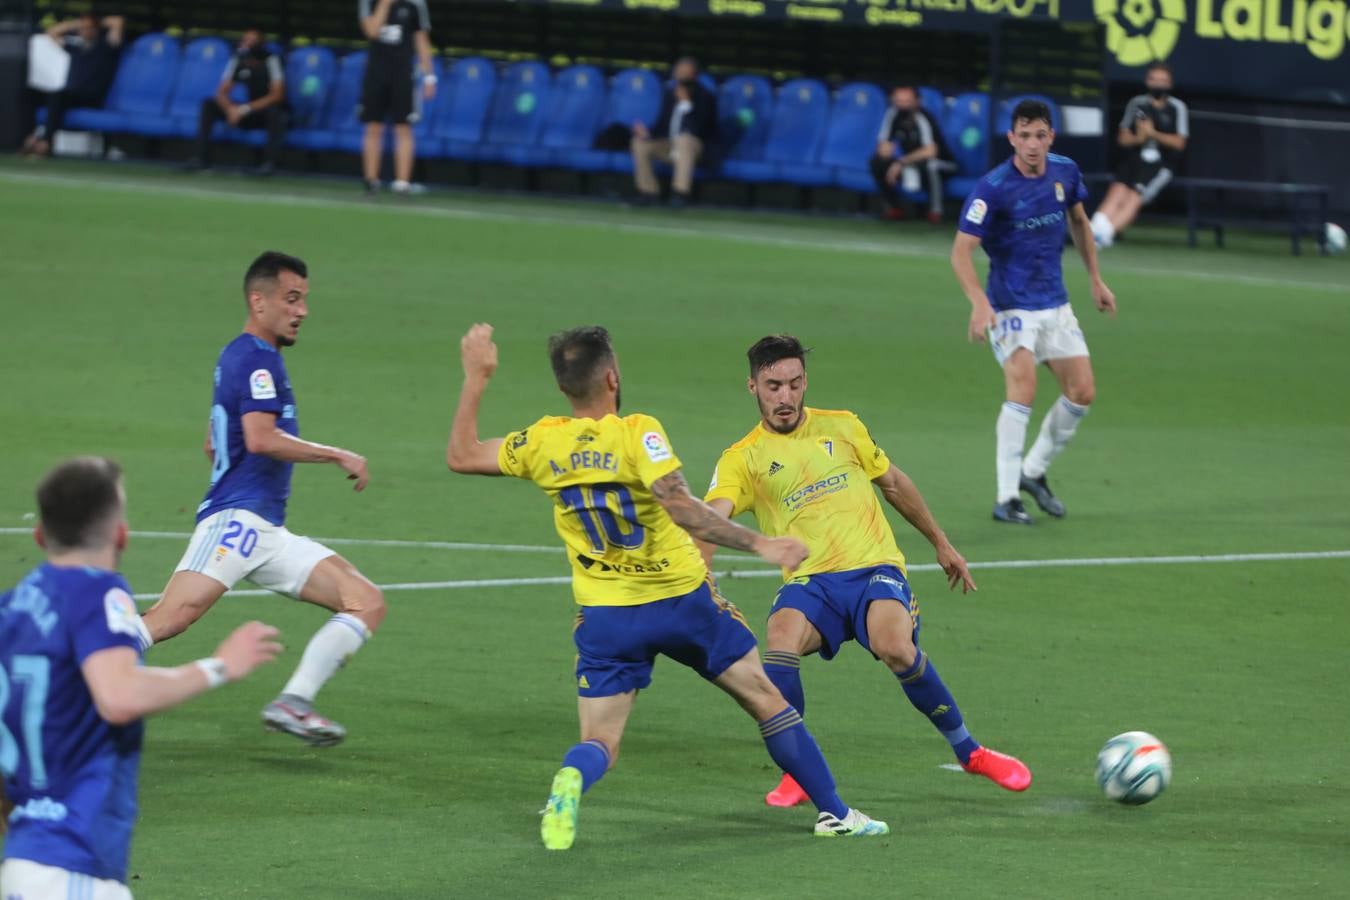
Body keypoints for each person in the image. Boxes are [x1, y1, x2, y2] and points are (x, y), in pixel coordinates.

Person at [446, 323, 889, 848]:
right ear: (612, 377)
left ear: (565, 389)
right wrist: (761, 544)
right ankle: (835, 812)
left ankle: (570, 781)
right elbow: (682, 507)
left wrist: (476, 376)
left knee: (600, 740)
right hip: (682, 603)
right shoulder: (639, 433)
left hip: (606, 615)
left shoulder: (542, 442)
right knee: (768, 702)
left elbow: (462, 454)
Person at [698, 335, 1031, 809]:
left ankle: (969, 752)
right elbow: (712, 517)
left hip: (874, 568)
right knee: (779, 639)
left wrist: (942, 543)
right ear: (752, 386)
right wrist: (703, 578)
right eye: (773, 386)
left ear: (805, 381)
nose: (786, 397)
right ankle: (799, 766)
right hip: (812, 583)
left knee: (895, 646)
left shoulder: (844, 426)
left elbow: (893, 483)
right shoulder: (743, 458)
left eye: (794, 384)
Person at [0, 456, 280, 900]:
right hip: (75, 868)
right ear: (121, 535)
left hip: (24, 863)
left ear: (39, 536)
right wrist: (220, 666)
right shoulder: (97, 590)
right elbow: (119, 695)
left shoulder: (10, 610)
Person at [139, 251, 386, 747]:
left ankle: (293, 701)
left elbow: (218, 437)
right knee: (169, 619)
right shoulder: (254, 358)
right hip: (237, 520)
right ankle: (72, 675)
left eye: (305, 300)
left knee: (366, 601)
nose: (302, 310)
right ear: (259, 300)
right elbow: (260, 438)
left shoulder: (249, 356)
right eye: (292, 299)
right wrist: (335, 453)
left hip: (267, 531)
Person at [950, 99, 1117, 525]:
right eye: (1024, 135)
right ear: (1011, 138)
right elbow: (961, 251)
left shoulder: (1065, 171)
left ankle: (1033, 471)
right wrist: (979, 302)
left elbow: (1079, 222)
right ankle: (1006, 497)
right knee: (1022, 389)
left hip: (1055, 304)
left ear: (1050, 137)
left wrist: (1096, 279)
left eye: (1040, 135)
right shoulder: (993, 187)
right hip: (1010, 308)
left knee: (1082, 392)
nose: (1032, 144)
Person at [1091, 63, 1189, 247]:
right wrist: (1139, 138)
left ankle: (1103, 237)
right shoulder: (1137, 103)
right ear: (1147, 81)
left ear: (1170, 83)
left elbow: (1180, 143)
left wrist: (1153, 134)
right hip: (1134, 159)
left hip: (1161, 164)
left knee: (1135, 197)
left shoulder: (1177, 107)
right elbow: (1123, 138)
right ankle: (1090, 232)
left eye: (1163, 80)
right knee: (1117, 191)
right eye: (1154, 79)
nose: (1159, 84)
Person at [357, 0, 435, 195]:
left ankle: (402, 183)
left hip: (403, 74)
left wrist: (430, 77)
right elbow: (372, 31)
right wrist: (384, 4)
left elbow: (421, 40)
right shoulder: (368, 2)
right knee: (374, 126)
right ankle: (371, 180)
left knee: (404, 127)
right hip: (375, 74)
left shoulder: (415, 4)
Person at [21, 13, 124, 158]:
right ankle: (30, 137)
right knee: (29, 93)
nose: (85, 31)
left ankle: (46, 142)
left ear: (96, 29)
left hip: (91, 97)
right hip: (70, 95)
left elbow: (117, 21)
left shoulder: (106, 47)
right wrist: (77, 24)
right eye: (82, 28)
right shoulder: (75, 48)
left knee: (57, 94)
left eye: (89, 28)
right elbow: (51, 33)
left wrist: (95, 22)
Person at [188, 29, 287, 175]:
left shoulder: (272, 60)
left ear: (262, 44)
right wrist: (230, 109)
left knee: (277, 113)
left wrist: (243, 109)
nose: (248, 44)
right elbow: (221, 92)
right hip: (246, 113)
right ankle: (200, 159)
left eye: (253, 41)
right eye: (246, 40)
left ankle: (269, 165)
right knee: (208, 104)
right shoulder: (238, 59)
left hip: (263, 112)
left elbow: (277, 95)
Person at [630, 57, 717, 208]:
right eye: (679, 68)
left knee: (684, 140)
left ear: (694, 74)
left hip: (695, 148)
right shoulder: (670, 94)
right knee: (639, 143)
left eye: (685, 69)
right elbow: (662, 125)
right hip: (670, 145)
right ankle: (648, 192)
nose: (680, 71)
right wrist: (646, 133)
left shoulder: (705, 96)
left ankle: (680, 193)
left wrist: (686, 104)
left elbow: (701, 129)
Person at [869, 86, 956, 224]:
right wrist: (887, 153)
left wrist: (900, 163)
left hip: (942, 163)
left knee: (931, 165)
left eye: (907, 101)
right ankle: (894, 208)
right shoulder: (893, 114)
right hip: (911, 162)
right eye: (899, 101)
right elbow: (883, 146)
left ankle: (935, 212)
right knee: (877, 162)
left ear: (917, 101)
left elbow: (930, 151)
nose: (903, 105)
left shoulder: (923, 117)